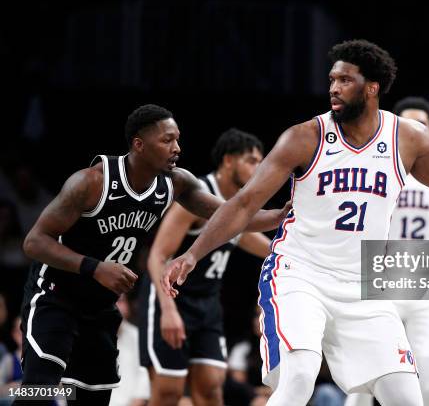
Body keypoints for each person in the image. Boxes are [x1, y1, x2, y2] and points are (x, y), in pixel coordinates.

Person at [162, 40, 429, 406]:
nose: (333, 89)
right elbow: (244, 202)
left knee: (407, 396)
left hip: (364, 285)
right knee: (299, 377)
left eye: (345, 80)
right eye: (331, 80)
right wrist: (193, 253)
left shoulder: (406, 139)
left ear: (372, 87)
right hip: (299, 273)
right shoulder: (304, 137)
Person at [18, 104, 287, 405]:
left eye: (178, 139)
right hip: (57, 295)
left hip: (100, 305)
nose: (177, 148)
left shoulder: (175, 182)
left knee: (91, 397)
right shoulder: (91, 182)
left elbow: (227, 214)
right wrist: (94, 267)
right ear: (139, 145)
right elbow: (34, 242)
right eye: (167, 140)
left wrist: (277, 216)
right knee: (37, 391)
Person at [344, 96, 429, 406]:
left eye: (422, 124)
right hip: (380, 284)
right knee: (362, 385)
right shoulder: (375, 170)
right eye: (407, 124)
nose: (414, 129)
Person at [141, 128, 272, 406]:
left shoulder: (237, 208)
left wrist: (297, 252)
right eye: (251, 160)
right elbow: (157, 257)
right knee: (168, 393)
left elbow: (259, 243)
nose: (258, 168)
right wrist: (168, 310)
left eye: (261, 161)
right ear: (228, 161)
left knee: (212, 389)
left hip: (207, 304)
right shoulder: (196, 198)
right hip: (172, 299)